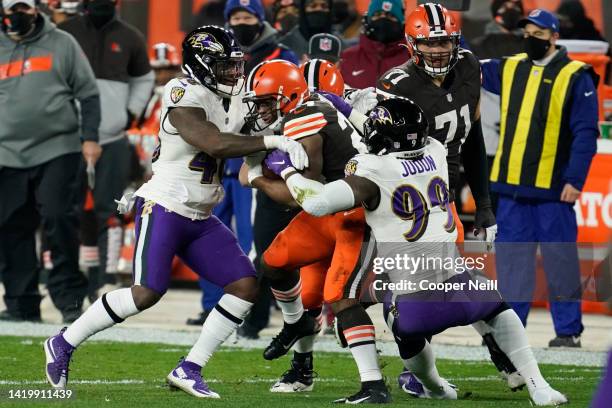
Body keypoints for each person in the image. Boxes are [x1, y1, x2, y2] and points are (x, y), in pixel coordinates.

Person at [43, 26, 309, 398]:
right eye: (223, 66)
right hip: (165, 205)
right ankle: (63, 343)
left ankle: (189, 367)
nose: (233, 74)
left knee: (244, 285)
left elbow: (250, 139)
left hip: (200, 214)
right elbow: (212, 143)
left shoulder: (233, 98)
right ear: (201, 64)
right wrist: (274, 139)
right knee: (146, 293)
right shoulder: (181, 91)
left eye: (236, 66)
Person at [265, 96, 568, 406]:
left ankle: (434, 386)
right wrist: (345, 109)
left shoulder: (371, 170)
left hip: (414, 308)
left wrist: (287, 171)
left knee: (357, 300)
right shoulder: (436, 150)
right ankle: (538, 386)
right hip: (460, 289)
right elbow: (392, 139)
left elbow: (316, 202)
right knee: (497, 306)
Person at [241, 60, 389, 404]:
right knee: (274, 261)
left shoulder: (303, 118)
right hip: (326, 209)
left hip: (354, 212)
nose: (261, 110)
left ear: (289, 96)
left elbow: (303, 195)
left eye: (266, 102)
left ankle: (374, 384)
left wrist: (261, 176)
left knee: (339, 296)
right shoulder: (306, 111)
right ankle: (298, 327)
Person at [481, 9, 599, 348]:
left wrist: (575, 180)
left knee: (559, 261)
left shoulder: (576, 75)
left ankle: (567, 332)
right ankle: (510, 332)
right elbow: (468, 68)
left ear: (554, 37)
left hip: (553, 189)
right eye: (528, 31)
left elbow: (585, 133)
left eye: (539, 33)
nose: (532, 38)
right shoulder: (510, 66)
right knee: (512, 264)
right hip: (511, 189)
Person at [0, 0, 101, 323]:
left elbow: (88, 93)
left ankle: (69, 299)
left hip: (57, 147)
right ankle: (21, 302)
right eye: (12, 9)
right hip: (6, 152)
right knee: (10, 227)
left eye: (25, 9)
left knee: (59, 219)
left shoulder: (62, 43)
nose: (19, 15)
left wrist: (90, 137)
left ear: (36, 10)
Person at [59, 0, 155, 302]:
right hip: (66, 138)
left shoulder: (131, 36)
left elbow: (144, 78)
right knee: (64, 212)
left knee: (110, 211)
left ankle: (104, 279)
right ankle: (69, 281)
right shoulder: (65, 33)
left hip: (113, 137)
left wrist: (130, 112)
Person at [470, 0, 526, 214]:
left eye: (515, 7)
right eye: (505, 8)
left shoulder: (530, 46)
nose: (511, 12)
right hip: (489, 127)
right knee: (491, 187)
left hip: (522, 124)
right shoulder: (478, 45)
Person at [340, 0, 408, 89]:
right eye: (377, 15)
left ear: (401, 23)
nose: (383, 19)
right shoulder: (347, 57)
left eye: (390, 16)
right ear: (368, 20)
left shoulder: (412, 58)